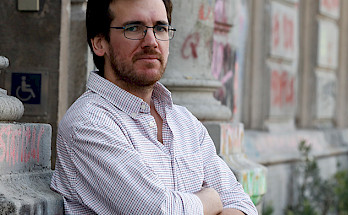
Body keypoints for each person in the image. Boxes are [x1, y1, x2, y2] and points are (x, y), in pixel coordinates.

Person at [50, 0, 258, 214]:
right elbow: (159, 211)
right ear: (99, 43)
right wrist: (212, 200)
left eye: (160, 28)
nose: (151, 41)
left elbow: (242, 205)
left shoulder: (185, 122)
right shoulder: (88, 124)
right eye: (133, 28)